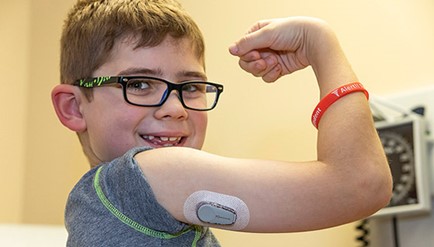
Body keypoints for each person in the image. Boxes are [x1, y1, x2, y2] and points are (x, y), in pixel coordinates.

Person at [51, 0, 392, 246]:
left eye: (191, 87)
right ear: (73, 107)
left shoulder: (105, 203)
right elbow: (360, 184)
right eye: (139, 84)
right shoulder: (145, 176)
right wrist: (322, 44)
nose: (175, 108)